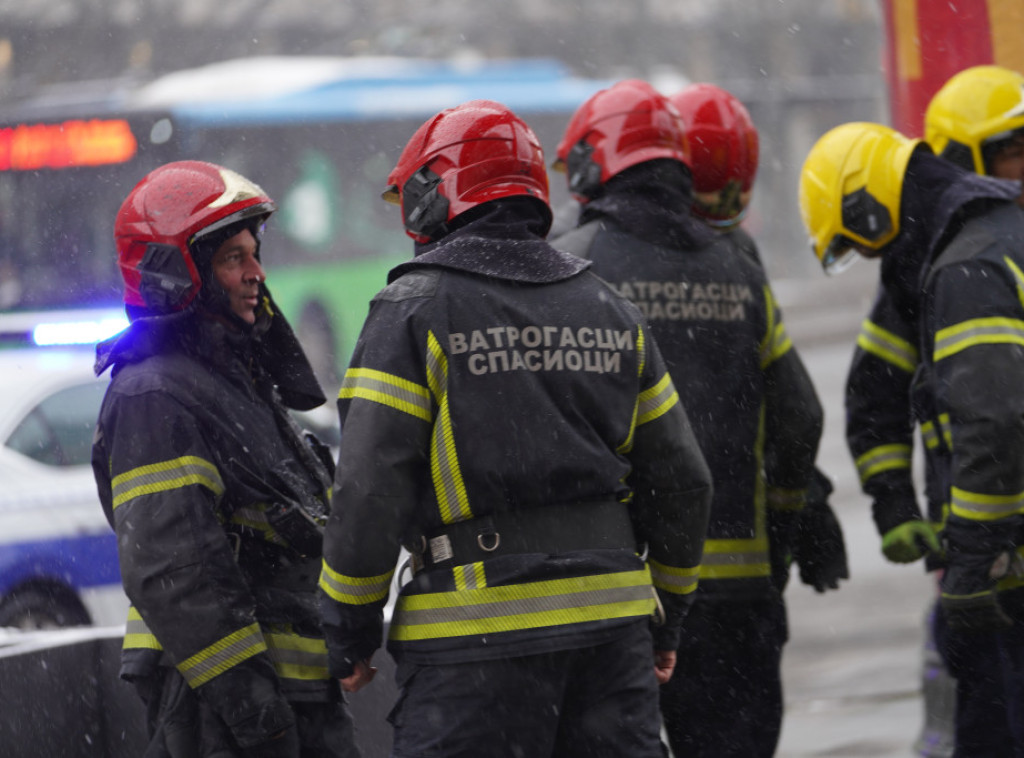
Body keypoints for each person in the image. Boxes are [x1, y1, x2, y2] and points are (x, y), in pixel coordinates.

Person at [317, 99, 713, 758]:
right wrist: (669, 616)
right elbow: (683, 480)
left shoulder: (412, 312)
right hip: (612, 642)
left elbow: (366, 491)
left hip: (473, 651)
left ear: (430, 196)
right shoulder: (610, 307)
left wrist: (347, 630)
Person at [550, 79, 824, 758]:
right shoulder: (738, 268)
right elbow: (800, 417)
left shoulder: (572, 263)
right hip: (738, 595)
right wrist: (784, 531)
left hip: (620, 597)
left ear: (593, 163)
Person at [92, 160, 359, 757]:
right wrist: (258, 717)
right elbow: (176, 574)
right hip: (222, 717)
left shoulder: (232, 380)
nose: (256, 274)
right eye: (233, 258)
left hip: (292, 705)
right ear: (176, 275)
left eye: (253, 253)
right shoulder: (155, 394)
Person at [799, 121, 1024, 756]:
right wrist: (892, 499)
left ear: (867, 208)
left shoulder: (967, 266)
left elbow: (996, 423)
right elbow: (875, 395)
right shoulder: (994, 237)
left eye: (860, 243)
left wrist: (975, 565)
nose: (872, 259)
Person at [668, 81, 849, 598]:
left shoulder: (595, 246)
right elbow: (792, 408)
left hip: (640, 576)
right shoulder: (737, 256)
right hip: (741, 565)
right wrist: (800, 504)